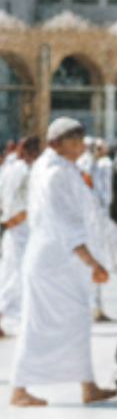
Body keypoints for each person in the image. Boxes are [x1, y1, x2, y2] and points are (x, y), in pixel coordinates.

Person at [9, 117, 117, 407]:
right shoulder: (54, 173)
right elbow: (64, 222)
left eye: (81, 138)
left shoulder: (62, 168)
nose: (80, 144)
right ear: (55, 143)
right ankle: (20, 389)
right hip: (52, 264)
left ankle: (87, 385)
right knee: (39, 325)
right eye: (74, 139)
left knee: (76, 322)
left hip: (61, 264)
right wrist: (92, 262)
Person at [0, 135, 41, 336]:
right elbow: (27, 202)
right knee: (18, 276)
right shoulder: (26, 171)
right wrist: (18, 218)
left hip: (11, 228)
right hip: (22, 228)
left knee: (8, 273)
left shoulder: (7, 169)